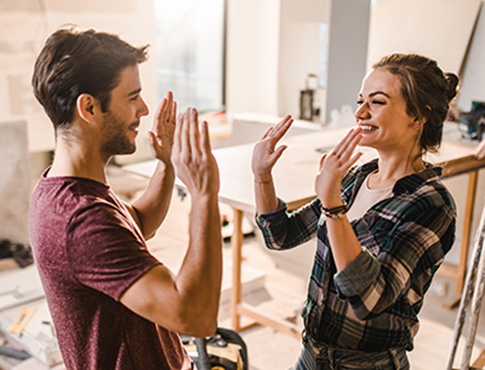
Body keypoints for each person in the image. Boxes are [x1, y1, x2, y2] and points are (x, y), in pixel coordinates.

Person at [29, 27, 222, 370]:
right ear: (88, 107)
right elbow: (195, 317)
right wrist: (204, 195)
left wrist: (166, 164)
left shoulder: (63, 188)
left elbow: (137, 224)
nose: (144, 109)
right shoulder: (81, 218)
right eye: (132, 97)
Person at [251, 54, 459, 369]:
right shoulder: (356, 177)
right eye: (360, 101)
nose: (360, 112)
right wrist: (262, 177)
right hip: (312, 354)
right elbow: (281, 236)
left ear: (417, 117)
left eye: (376, 102)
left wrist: (333, 204)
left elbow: (370, 298)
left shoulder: (431, 204)